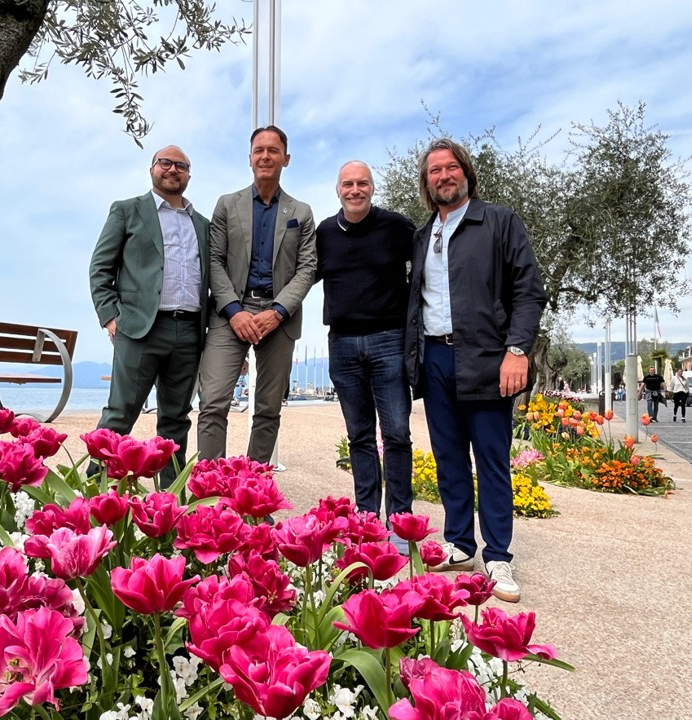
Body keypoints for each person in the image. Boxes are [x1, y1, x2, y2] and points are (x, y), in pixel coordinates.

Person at [404, 138, 546, 602]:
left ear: (465, 173)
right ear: (426, 182)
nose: (443, 176)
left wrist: (517, 350)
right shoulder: (423, 236)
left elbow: (528, 290)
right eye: (435, 171)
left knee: (491, 460)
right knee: (448, 458)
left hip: (487, 358)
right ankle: (460, 544)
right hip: (435, 358)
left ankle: (498, 556)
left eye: (451, 168)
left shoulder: (499, 222)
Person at [89, 145, 210, 486]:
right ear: (152, 168)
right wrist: (110, 316)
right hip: (140, 329)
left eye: (181, 166)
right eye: (165, 163)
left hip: (189, 332)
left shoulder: (203, 224)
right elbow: (100, 268)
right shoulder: (127, 210)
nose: (173, 169)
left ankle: (170, 497)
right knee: (119, 414)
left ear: (189, 175)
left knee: (176, 420)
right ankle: (91, 491)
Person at [197, 126, 317, 463]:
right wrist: (234, 311)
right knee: (213, 402)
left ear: (286, 159)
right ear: (249, 158)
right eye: (259, 150)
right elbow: (214, 260)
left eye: (273, 150)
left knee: (268, 408)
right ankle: (211, 485)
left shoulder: (301, 212)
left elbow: (307, 268)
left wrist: (278, 311)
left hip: (279, 316)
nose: (265, 156)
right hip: (230, 312)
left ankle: (253, 485)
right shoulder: (227, 205)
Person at [316, 160, 415, 537]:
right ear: (338, 190)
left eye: (362, 183)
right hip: (342, 343)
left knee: (397, 434)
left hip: (389, 340)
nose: (355, 190)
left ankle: (400, 520)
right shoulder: (325, 232)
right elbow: (302, 273)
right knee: (359, 435)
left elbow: (429, 267)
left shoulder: (397, 226)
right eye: (348, 184)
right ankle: (367, 519)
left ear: (372, 188)